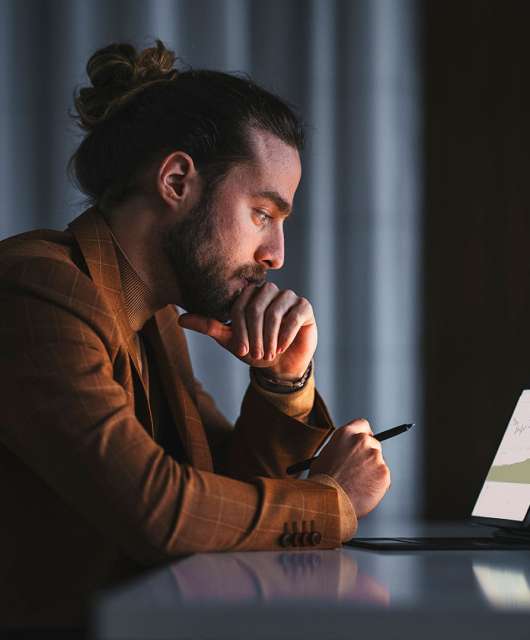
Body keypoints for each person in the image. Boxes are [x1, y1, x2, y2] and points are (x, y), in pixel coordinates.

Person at [0, 39, 390, 628]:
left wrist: (283, 382)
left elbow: (220, 492)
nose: (277, 254)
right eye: (263, 213)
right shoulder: (36, 288)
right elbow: (160, 511)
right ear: (177, 181)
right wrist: (332, 502)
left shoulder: (153, 316)